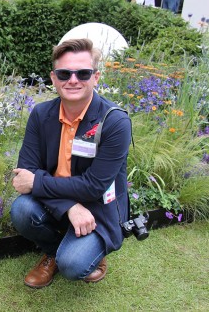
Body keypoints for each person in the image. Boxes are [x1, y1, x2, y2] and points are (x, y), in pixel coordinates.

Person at [10, 38, 132, 288]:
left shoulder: (115, 122)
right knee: (22, 210)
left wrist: (37, 183)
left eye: (83, 73)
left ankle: (89, 252)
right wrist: (69, 206)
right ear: (53, 78)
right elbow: (26, 173)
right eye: (64, 73)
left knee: (74, 265)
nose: (73, 80)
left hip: (96, 209)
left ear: (96, 77)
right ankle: (54, 252)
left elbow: (94, 186)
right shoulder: (41, 114)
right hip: (56, 201)